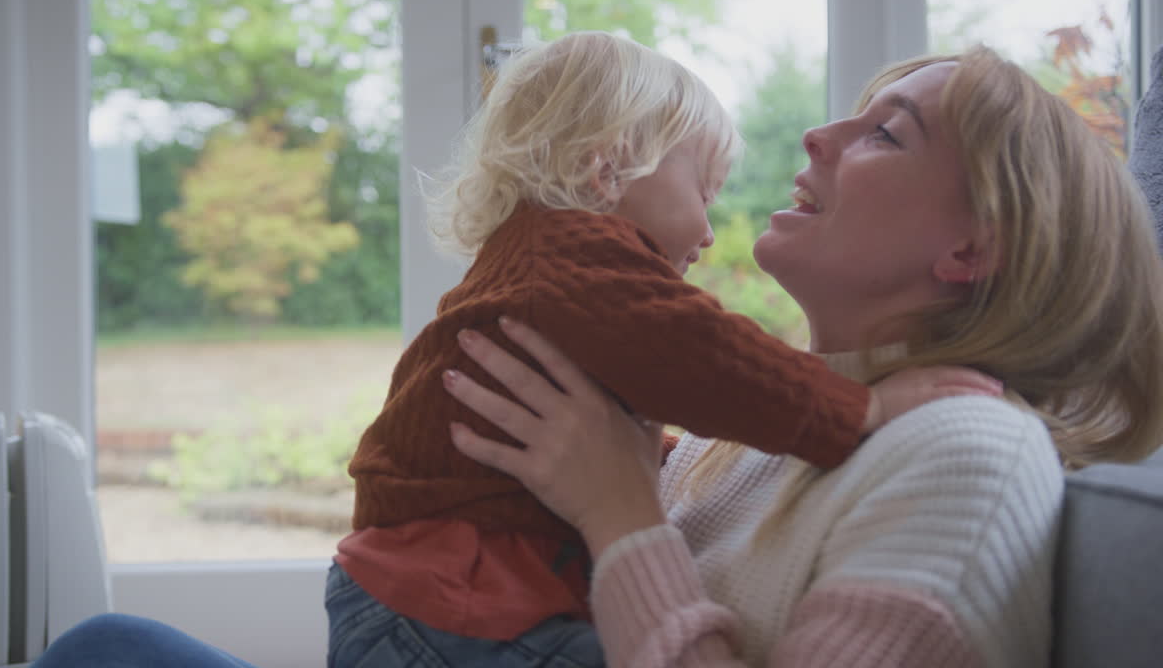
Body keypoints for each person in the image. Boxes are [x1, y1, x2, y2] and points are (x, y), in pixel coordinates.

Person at [437, 44, 1163, 668]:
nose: (817, 134)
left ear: (974, 247)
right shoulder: (731, 442)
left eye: (885, 134)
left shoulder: (973, 450)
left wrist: (620, 515)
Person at [328, 30, 998, 667]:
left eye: (886, 134)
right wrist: (861, 410)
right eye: (704, 191)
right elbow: (705, 354)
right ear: (607, 167)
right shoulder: (581, 257)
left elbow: (628, 419)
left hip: (408, 600)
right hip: (446, 605)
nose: (708, 234)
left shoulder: (538, 262)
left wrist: (634, 475)